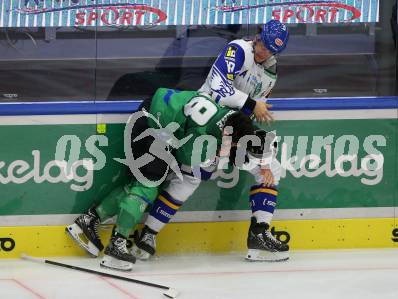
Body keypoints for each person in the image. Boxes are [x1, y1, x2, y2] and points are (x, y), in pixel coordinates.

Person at [133, 20, 290, 262]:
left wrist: (242, 143)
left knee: (271, 168)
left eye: (270, 49)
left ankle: (259, 233)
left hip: (230, 129)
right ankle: (148, 234)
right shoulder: (237, 50)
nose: (264, 51)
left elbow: (249, 114)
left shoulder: (271, 73)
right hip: (202, 124)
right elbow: (218, 88)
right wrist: (251, 104)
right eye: (263, 44)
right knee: (189, 178)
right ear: (258, 36)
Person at [66, 87, 254, 271]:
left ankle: (89, 220)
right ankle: (116, 245)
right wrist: (220, 155)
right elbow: (186, 159)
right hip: (151, 126)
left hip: (156, 119)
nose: (234, 146)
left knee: (138, 185)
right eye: (235, 142)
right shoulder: (203, 132)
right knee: (147, 186)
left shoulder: (228, 116)